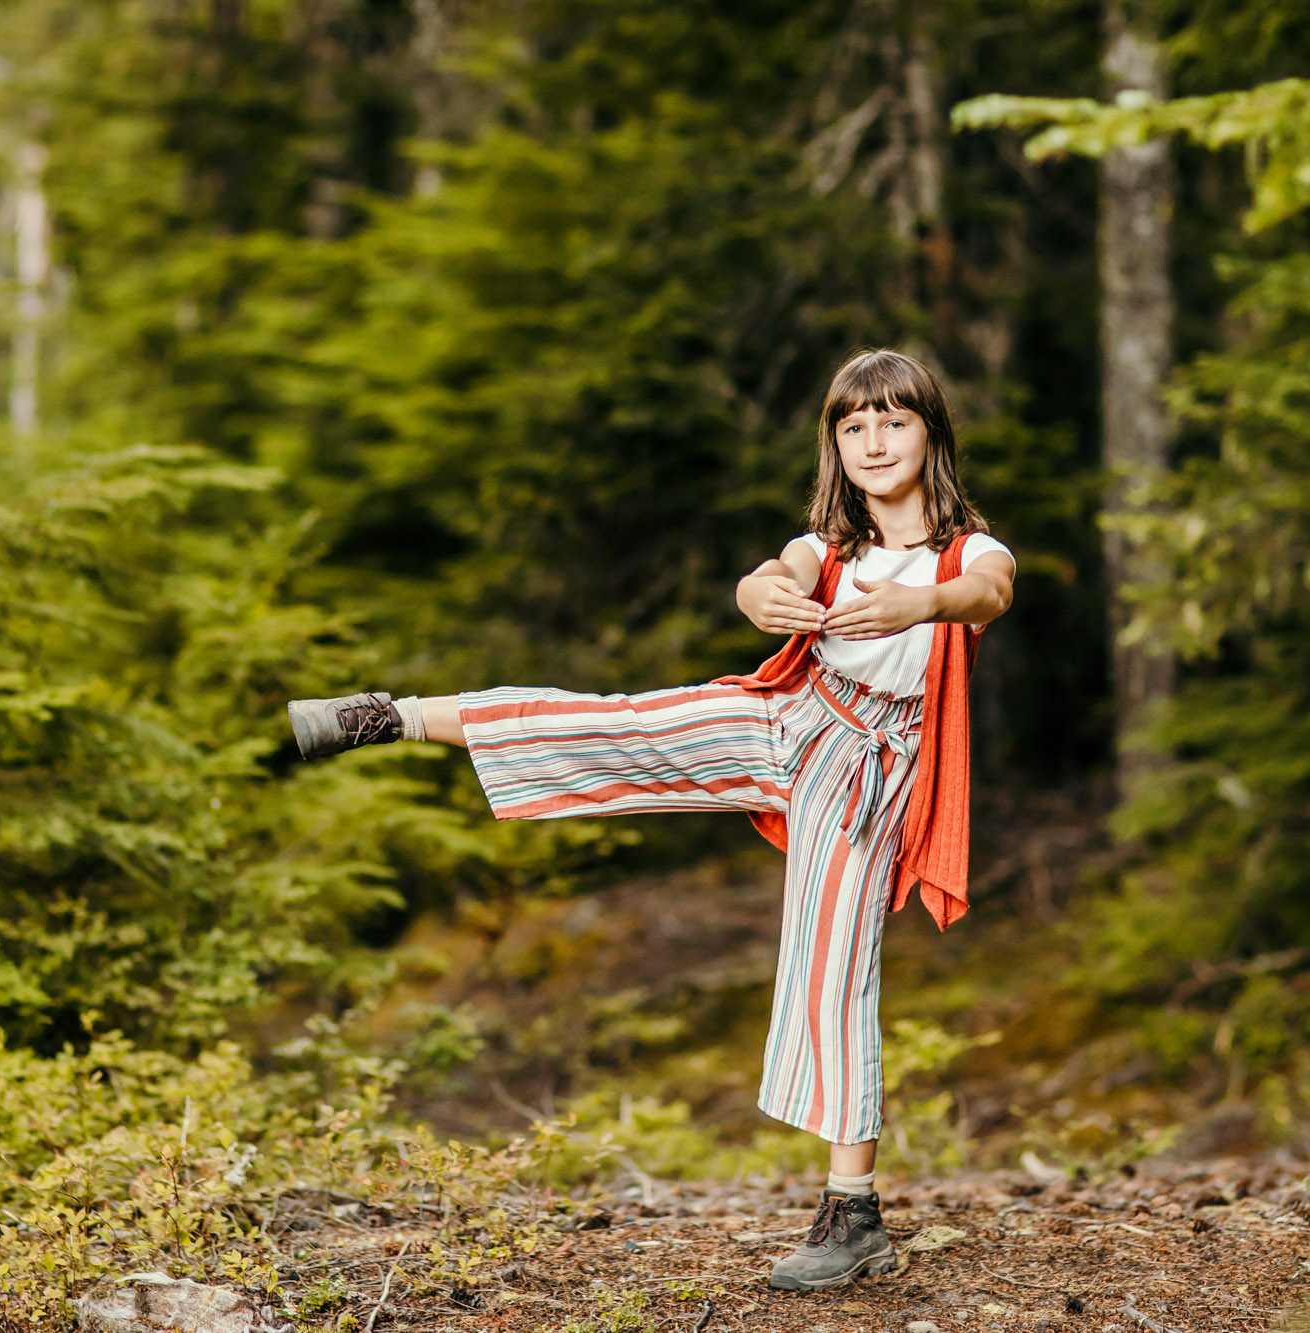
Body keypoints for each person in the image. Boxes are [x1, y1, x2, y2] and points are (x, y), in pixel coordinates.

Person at [285, 347, 1015, 1292]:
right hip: (791, 712)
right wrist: (765, 597)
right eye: (853, 425)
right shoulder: (830, 545)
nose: (874, 441)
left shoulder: (967, 550)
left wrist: (925, 600)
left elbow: (988, 592)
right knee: (617, 722)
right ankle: (394, 714)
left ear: (930, 432)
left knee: (829, 961)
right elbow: (768, 576)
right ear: (836, 443)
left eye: (894, 421)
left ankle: (852, 1213)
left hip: (869, 765)